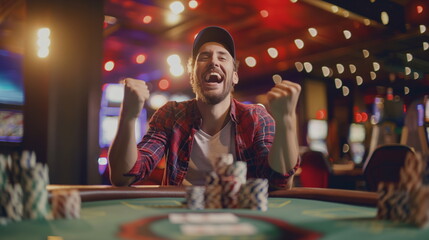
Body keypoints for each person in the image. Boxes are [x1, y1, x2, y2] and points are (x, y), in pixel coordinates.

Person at [108, 26, 301, 189]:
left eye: (223, 57)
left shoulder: (256, 117)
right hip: (180, 221)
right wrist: (128, 116)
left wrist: (286, 122)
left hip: (240, 218)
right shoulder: (171, 114)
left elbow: (279, 182)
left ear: (234, 75)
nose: (213, 62)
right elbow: (123, 177)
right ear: (192, 74)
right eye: (204, 57)